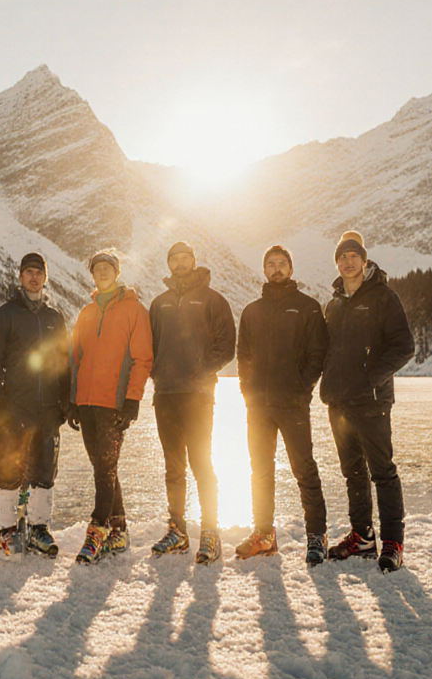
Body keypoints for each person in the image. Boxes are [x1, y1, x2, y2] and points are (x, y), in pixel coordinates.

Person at [319, 231, 415, 572]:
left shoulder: (383, 297)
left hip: (372, 401)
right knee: (353, 473)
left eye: (353, 256)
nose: (347, 262)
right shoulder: (334, 303)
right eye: (341, 257)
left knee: (383, 472)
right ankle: (362, 537)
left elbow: (404, 346)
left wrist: (372, 377)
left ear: (364, 259)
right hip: (339, 402)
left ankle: (392, 542)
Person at [235, 245, 330, 565]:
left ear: (290, 269)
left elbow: (318, 354)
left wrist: (302, 388)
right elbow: (243, 355)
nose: (276, 269)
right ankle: (264, 535)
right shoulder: (252, 310)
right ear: (264, 270)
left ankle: (317, 536)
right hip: (258, 406)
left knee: (304, 469)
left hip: (292, 404)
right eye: (271, 264)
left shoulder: (307, 308)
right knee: (260, 471)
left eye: (282, 264)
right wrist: (247, 390)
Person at [147, 242, 236, 564]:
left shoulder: (213, 299)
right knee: (173, 467)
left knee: (201, 464)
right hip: (166, 394)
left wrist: (202, 372)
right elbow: (149, 346)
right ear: (169, 264)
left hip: (198, 395)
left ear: (194, 261)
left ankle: (211, 531)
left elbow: (227, 346)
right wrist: (157, 373)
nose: (180, 263)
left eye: (185, 258)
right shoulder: (159, 304)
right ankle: (177, 530)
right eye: (174, 259)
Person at [0, 253, 72, 560]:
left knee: (44, 470)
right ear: (20, 277)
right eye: (28, 272)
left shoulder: (53, 317)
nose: (34, 277)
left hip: (48, 408)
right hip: (15, 407)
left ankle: (38, 529)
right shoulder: (6, 315)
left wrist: (65, 403)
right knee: (8, 469)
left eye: (39, 273)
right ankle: (5, 533)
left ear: (45, 278)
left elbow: (64, 362)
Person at [69, 249, 153, 564]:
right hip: (86, 404)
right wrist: (73, 399)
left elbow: (143, 358)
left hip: (113, 405)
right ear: (92, 274)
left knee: (105, 471)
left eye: (107, 267)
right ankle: (118, 530)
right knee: (103, 469)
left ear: (116, 273)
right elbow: (75, 358)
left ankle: (96, 533)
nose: (102, 272)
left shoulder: (134, 310)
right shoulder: (87, 312)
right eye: (97, 268)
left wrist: (132, 400)